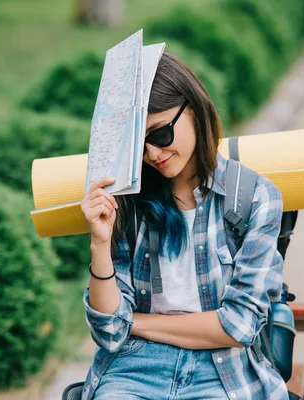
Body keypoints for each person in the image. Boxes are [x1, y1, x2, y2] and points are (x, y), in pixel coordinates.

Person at [80, 51, 288, 400]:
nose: (151, 153)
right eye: (138, 144)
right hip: (134, 367)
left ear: (192, 108)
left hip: (223, 370)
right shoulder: (127, 204)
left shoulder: (255, 198)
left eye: (160, 134)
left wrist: (137, 324)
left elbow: (238, 326)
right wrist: (100, 244)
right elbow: (110, 332)